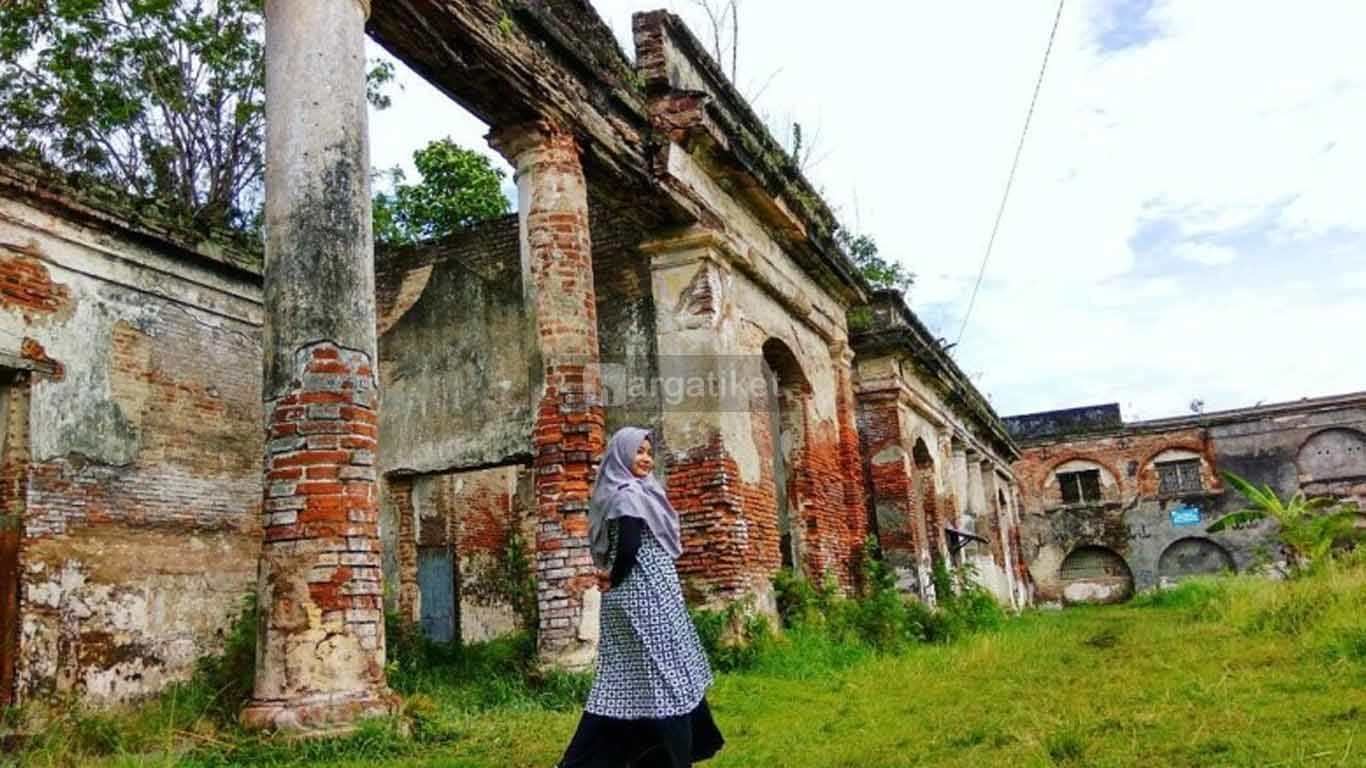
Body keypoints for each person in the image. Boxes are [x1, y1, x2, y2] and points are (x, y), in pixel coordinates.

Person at [556, 427, 725, 768]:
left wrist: (612, 581)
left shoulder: (633, 492)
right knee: (665, 680)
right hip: (643, 599)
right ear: (621, 454)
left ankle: (617, 759)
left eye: (649, 452)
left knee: (626, 680)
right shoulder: (628, 496)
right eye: (639, 451)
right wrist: (615, 579)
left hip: (644, 597)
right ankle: (675, 759)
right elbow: (630, 547)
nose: (646, 458)